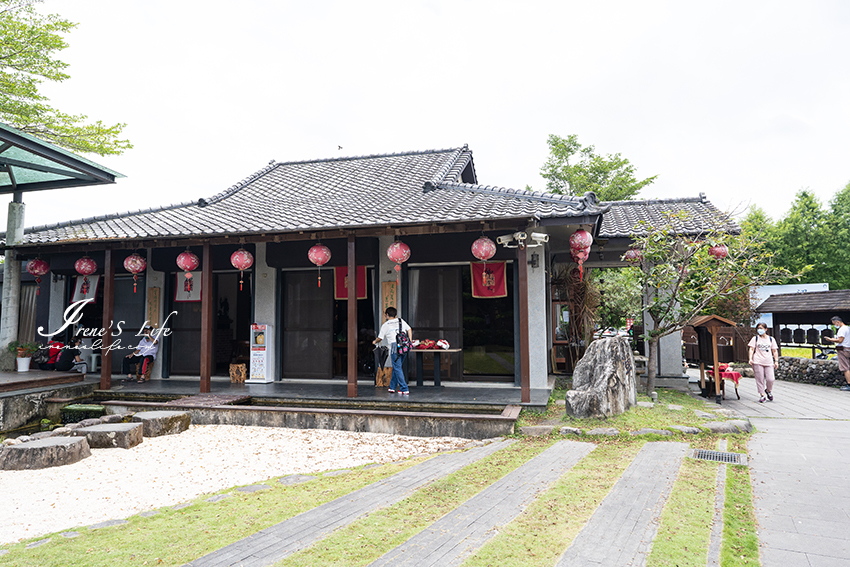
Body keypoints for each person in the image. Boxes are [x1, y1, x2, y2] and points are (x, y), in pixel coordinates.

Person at [372, 307, 412, 395]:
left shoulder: (386, 325)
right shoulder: (401, 321)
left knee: (397, 367)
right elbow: (409, 329)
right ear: (395, 315)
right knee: (397, 366)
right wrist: (410, 341)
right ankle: (392, 387)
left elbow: (380, 338)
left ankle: (404, 388)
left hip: (394, 346)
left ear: (387, 315)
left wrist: (375, 341)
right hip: (404, 345)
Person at [748, 322, 778, 403]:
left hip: (768, 361)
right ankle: (762, 395)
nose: (760, 330)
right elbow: (751, 349)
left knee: (770, 379)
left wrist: (776, 361)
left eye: (761, 328)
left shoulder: (771, 339)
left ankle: (768, 390)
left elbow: (774, 351)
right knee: (760, 379)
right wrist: (750, 358)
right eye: (758, 328)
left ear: (766, 329)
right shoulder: (755, 338)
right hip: (757, 361)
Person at [825, 316, 850, 391]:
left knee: (845, 367)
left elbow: (840, 340)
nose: (835, 325)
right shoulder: (848, 328)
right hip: (848, 348)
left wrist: (831, 339)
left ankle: (849, 384)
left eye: (834, 323)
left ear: (838, 322)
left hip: (843, 349)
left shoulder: (842, 329)